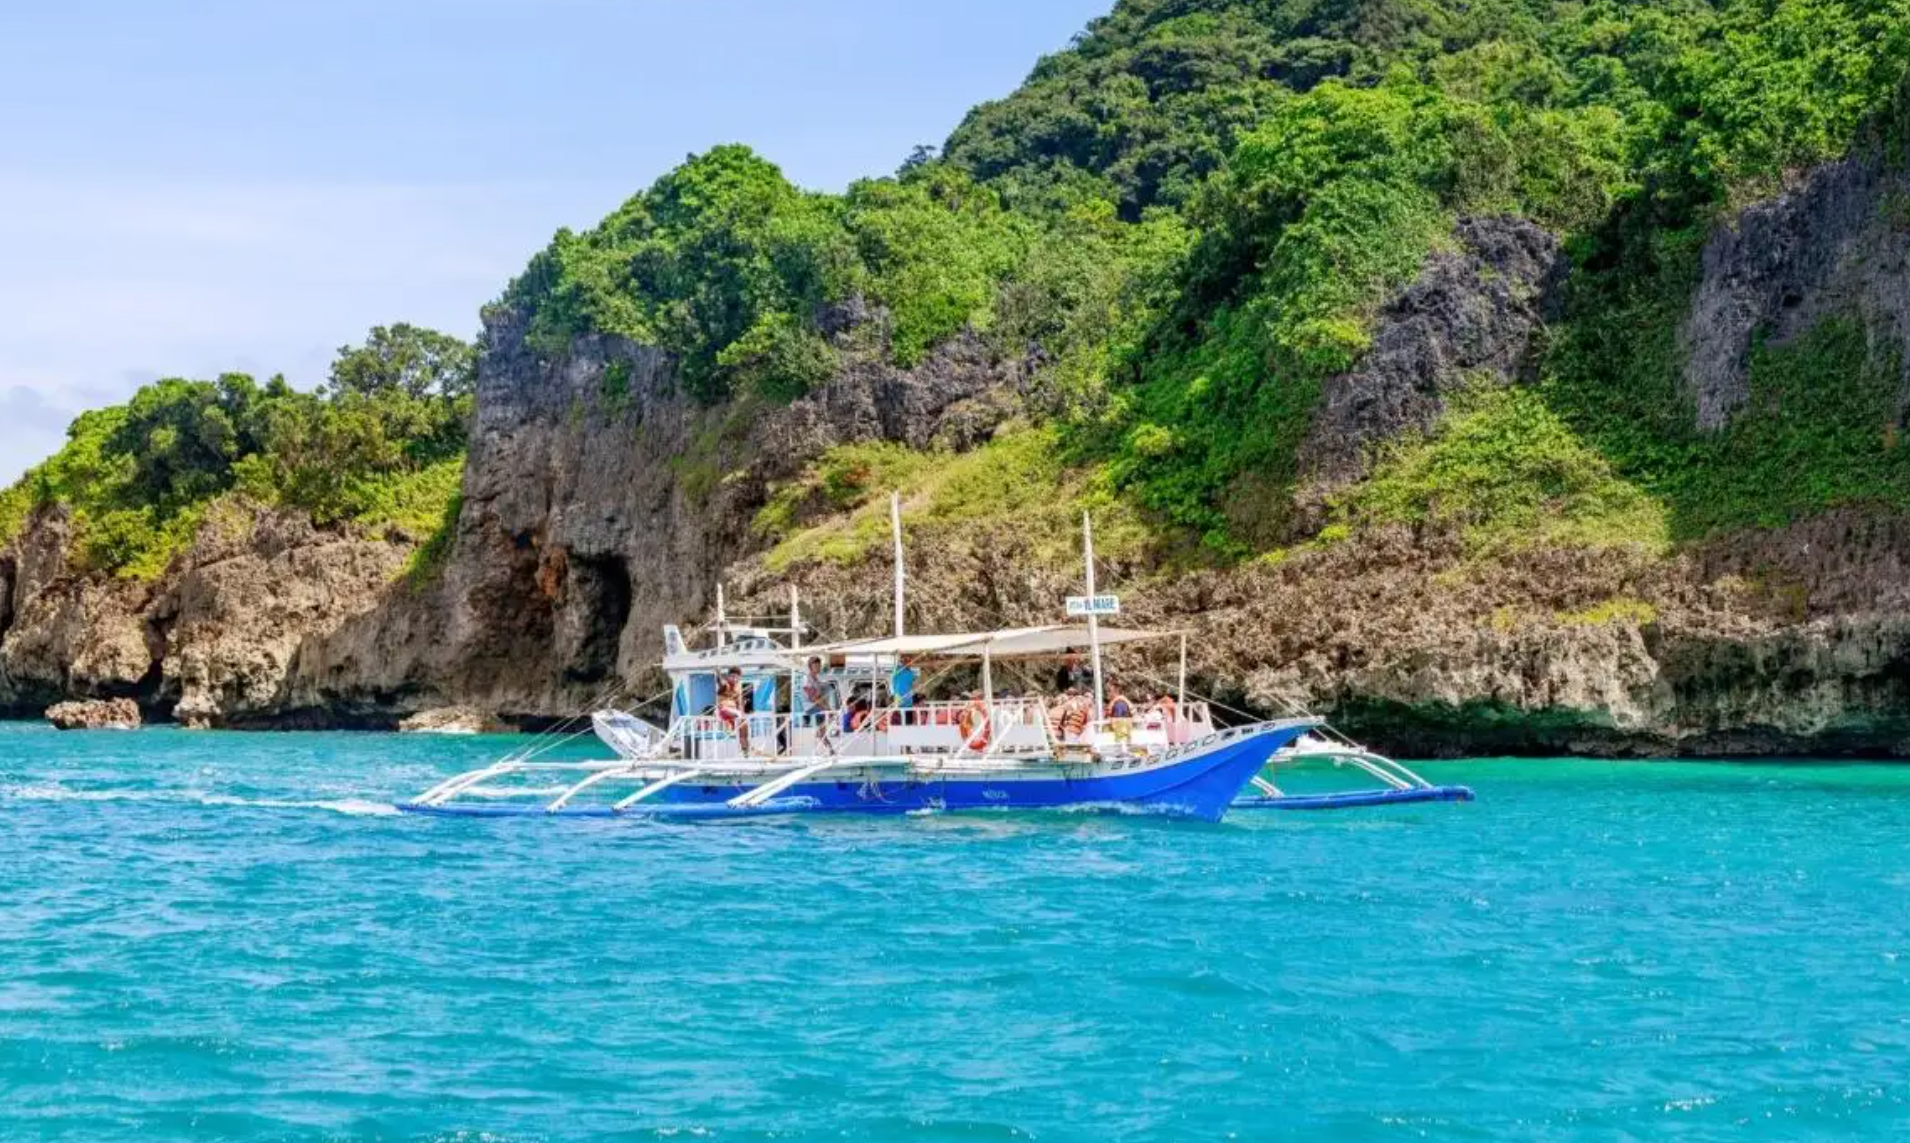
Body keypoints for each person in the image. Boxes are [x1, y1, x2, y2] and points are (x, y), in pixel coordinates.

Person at [716, 667, 750, 755]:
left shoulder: (738, 690)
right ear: (728, 677)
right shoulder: (725, 685)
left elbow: (739, 705)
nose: (734, 679)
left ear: (739, 678)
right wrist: (718, 672)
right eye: (732, 677)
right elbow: (721, 683)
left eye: (736, 677)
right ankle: (729, 728)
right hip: (725, 710)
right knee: (739, 716)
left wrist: (742, 708)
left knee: (744, 725)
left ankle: (745, 747)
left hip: (734, 714)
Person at [800, 657, 835, 726]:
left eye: (819, 666)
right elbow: (813, 698)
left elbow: (820, 695)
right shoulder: (806, 679)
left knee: (831, 715)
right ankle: (820, 732)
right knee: (830, 715)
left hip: (817, 706)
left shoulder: (816, 679)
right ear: (810, 667)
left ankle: (822, 733)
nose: (818, 668)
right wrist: (827, 708)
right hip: (810, 707)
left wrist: (827, 707)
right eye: (816, 666)